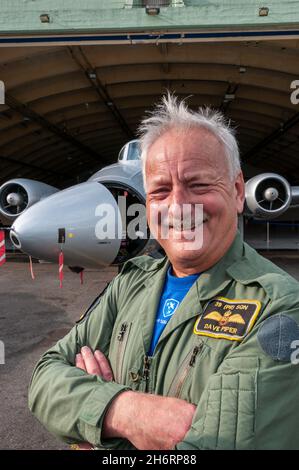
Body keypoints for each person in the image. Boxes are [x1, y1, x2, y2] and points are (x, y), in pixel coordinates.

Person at [28, 94, 299, 450]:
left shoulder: (280, 307)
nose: (178, 206)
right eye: (160, 190)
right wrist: (122, 412)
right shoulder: (131, 281)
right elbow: (44, 377)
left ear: (236, 191)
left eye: (198, 184)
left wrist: (96, 432)